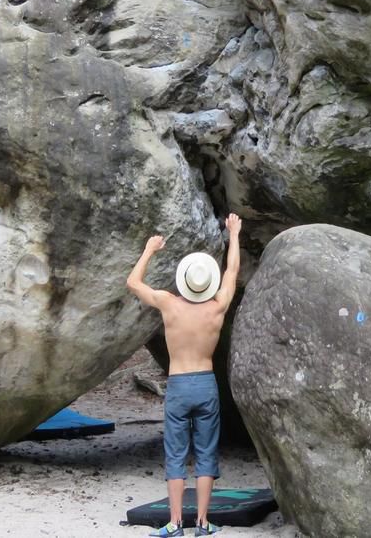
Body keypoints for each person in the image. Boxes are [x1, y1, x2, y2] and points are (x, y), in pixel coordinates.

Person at [126, 213, 243, 537]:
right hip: (206, 384)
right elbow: (232, 270)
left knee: (176, 454)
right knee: (206, 452)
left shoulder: (168, 304)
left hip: (178, 385)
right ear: (208, 283)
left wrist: (150, 249)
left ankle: (176, 523)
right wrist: (233, 234)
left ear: (184, 281)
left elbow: (133, 283)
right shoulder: (218, 306)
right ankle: (203, 523)